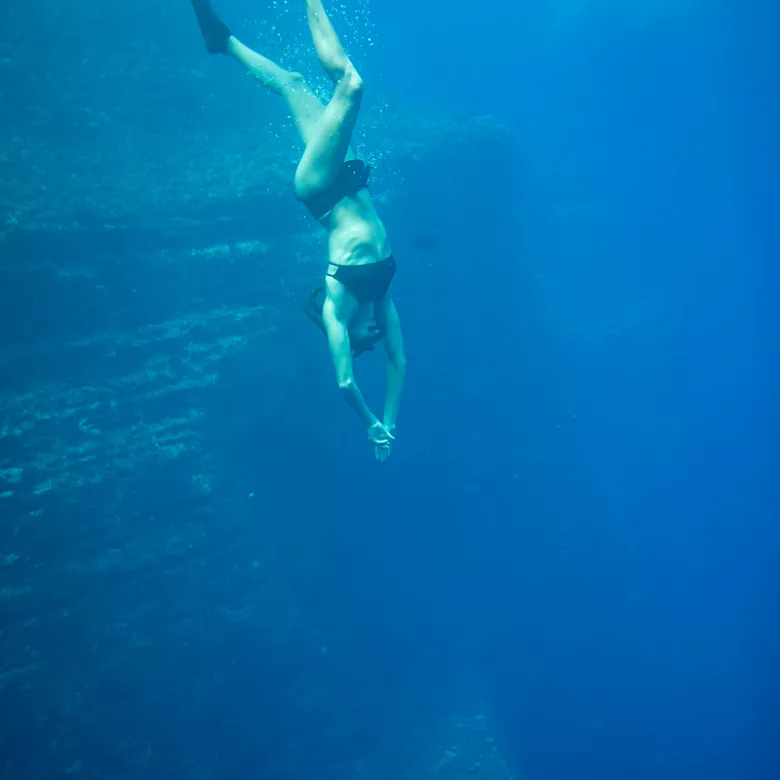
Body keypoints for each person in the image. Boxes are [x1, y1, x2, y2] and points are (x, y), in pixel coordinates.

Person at [189, 0, 406, 461]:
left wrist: (369, 424)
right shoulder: (381, 298)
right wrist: (389, 422)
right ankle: (223, 42)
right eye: (375, 338)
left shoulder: (337, 308)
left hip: (320, 187)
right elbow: (399, 362)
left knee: (351, 85)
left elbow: (344, 382)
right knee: (294, 83)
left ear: (352, 336)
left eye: (366, 341)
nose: (375, 336)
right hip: (346, 178)